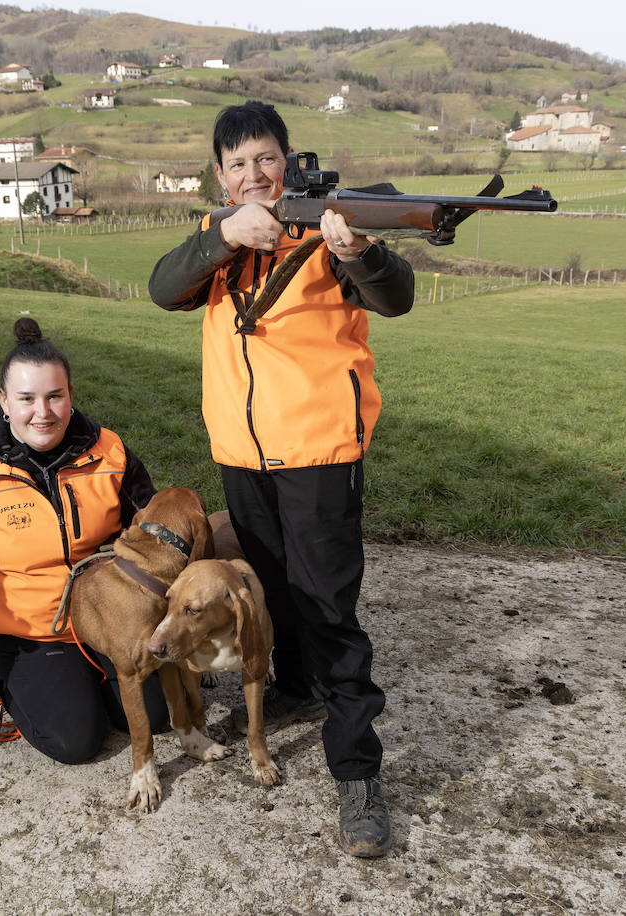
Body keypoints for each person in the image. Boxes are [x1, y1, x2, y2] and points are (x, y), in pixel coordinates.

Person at [148, 100, 414, 857]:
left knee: (330, 610)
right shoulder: (221, 239)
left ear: (289, 161)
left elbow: (396, 297)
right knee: (264, 594)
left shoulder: (327, 230)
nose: (252, 174)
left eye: (265, 159)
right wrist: (223, 237)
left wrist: (359, 251)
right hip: (241, 456)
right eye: (236, 165)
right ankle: (291, 690)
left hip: (321, 453)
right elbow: (163, 287)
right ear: (221, 177)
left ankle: (358, 772)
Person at [0, 317, 165, 765]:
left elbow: (150, 521)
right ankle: (8, 668)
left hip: (108, 615)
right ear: (4, 401)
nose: (42, 412)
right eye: (26, 398)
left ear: (70, 397)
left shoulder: (110, 450)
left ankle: (91, 680)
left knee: (159, 718)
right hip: (28, 631)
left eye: (54, 396)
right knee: (76, 743)